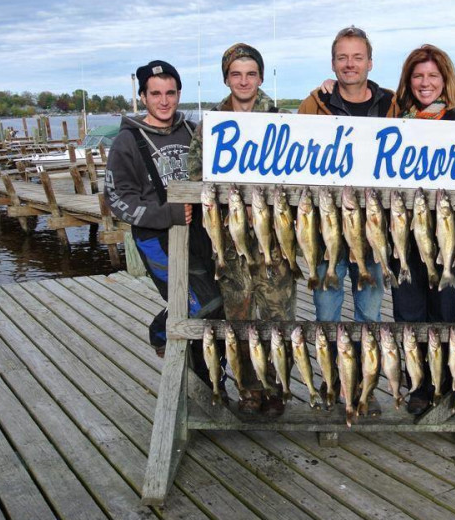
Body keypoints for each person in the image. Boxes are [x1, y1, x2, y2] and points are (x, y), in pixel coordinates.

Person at [187, 43, 296, 416]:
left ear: (261, 77)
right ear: (226, 78)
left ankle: (278, 388)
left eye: (251, 73)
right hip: (230, 243)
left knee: (278, 315)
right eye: (236, 74)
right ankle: (249, 388)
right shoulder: (210, 126)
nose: (244, 80)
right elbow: (193, 176)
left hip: (274, 242)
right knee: (240, 316)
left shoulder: (282, 121)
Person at [104, 60, 224, 392]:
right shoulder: (126, 142)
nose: (164, 101)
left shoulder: (193, 131)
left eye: (170, 93)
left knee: (224, 301)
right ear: (143, 96)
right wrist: (165, 213)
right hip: (156, 237)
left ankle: (215, 380)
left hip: (199, 233)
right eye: (155, 94)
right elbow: (117, 199)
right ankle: (166, 336)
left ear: (179, 94)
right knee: (201, 306)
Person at [388, 44, 455, 414]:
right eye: (417, 76)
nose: (425, 82)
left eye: (432, 75)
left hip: (449, 239)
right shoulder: (398, 120)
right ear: (408, 81)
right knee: (408, 315)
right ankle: (417, 386)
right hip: (405, 238)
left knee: (443, 314)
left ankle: (443, 382)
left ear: (446, 79)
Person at [298, 26, 398, 326]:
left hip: (373, 223)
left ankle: (363, 372)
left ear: (370, 62)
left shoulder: (391, 104)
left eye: (357, 57)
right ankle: (332, 373)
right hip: (324, 223)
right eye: (342, 57)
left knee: (370, 313)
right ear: (333, 64)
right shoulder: (315, 103)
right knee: (326, 313)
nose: (349, 64)